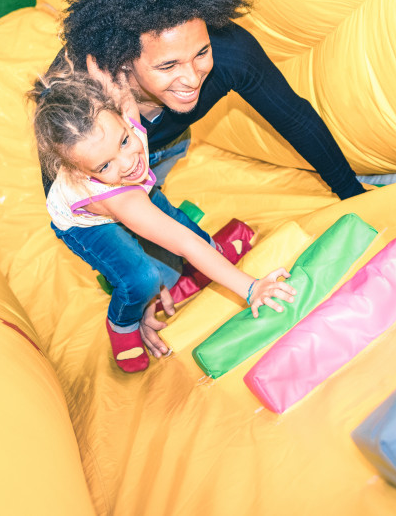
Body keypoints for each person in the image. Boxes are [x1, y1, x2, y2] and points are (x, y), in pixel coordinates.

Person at [28, 60, 295, 373]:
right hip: (88, 223)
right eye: (104, 166)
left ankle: (203, 266)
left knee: (188, 232)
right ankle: (124, 323)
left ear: (120, 119)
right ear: (78, 171)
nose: (128, 162)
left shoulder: (121, 128)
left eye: (125, 141)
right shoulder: (122, 197)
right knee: (142, 278)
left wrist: (114, 83)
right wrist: (250, 288)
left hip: (133, 191)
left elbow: (124, 99)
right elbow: (181, 242)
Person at [52, 0, 367, 202]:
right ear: (124, 62)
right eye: (168, 65)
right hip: (99, 166)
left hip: (167, 144)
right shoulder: (77, 94)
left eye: (201, 52)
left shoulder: (231, 53)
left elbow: (296, 119)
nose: (191, 78)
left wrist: (352, 193)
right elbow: (60, 184)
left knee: (154, 202)